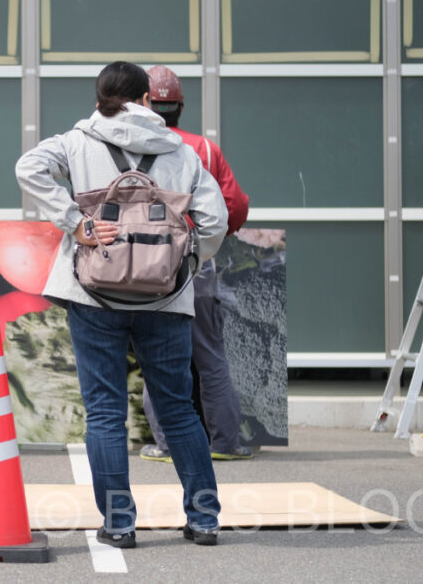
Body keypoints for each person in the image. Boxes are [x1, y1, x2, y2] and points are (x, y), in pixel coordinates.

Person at [16, 61, 229, 548]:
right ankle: (204, 519)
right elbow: (214, 221)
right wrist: (186, 259)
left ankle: (119, 523)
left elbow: (27, 167)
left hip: (93, 293)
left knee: (106, 412)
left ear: (99, 99)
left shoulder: (77, 141)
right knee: (178, 410)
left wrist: (76, 221)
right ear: (148, 99)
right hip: (165, 298)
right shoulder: (181, 151)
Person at [140, 64, 254, 463]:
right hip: (196, 262)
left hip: (146, 266)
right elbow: (234, 206)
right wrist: (222, 234)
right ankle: (224, 442)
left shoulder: (132, 146)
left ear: (144, 103)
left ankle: (166, 444)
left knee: (156, 354)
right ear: (180, 106)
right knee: (209, 355)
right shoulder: (204, 149)